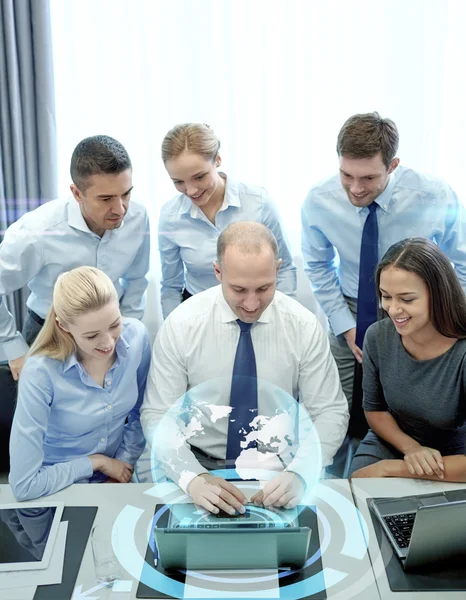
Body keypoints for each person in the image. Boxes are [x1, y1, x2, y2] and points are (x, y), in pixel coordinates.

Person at [141, 221, 348, 514]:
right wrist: (192, 477)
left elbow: (329, 411)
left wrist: (301, 471)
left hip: (281, 465)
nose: (252, 304)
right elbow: (158, 415)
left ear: (278, 270)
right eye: (238, 289)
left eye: (264, 288)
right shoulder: (181, 325)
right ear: (217, 272)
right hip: (198, 462)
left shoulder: (303, 326)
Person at [301, 112, 466, 407]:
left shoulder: (434, 196)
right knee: (337, 405)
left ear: (393, 165)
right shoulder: (319, 200)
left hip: (420, 310)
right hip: (351, 308)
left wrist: (444, 315)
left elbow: (463, 261)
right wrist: (345, 325)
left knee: (409, 404)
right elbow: (317, 265)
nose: (355, 188)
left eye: (368, 178)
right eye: (346, 175)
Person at [0, 135, 150, 380]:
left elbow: (136, 279)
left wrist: (125, 331)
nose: (120, 209)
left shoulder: (138, 217)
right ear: (77, 193)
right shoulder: (37, 231)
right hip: (51, 336)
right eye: (106, 199)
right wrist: (13, 348)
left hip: (109, 334)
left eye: (126, 194)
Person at [9, 266, 151, 501]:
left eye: (115, 324)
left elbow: (141, 413)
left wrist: (122, 463)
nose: (108, 343)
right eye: (92, 335)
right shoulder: (40, 372)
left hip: (117, 477)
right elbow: (24, 485)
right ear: (63, 326)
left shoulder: (137, 338)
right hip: (55, 487)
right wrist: (95, 463)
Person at [350, 238, 466, 482]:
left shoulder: (462, 351)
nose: (393, 309)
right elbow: (375, 411)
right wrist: (411, 449)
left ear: (438, 295)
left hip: (457, 454)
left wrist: (392, 468)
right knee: (358, 486)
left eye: (407, 299)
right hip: (393, 440)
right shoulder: (377, 336)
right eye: (386, 296)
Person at [158, 123, 296, 319]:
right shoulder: (170, 217)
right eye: (178, 182)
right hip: (198, 314)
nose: (191, 190)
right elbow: (171, 286)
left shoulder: (258, 203)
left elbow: (285, 269)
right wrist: (173, 329)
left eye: (199, 177)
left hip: (257, 308)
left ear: (218, 160)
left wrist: (283, 319)